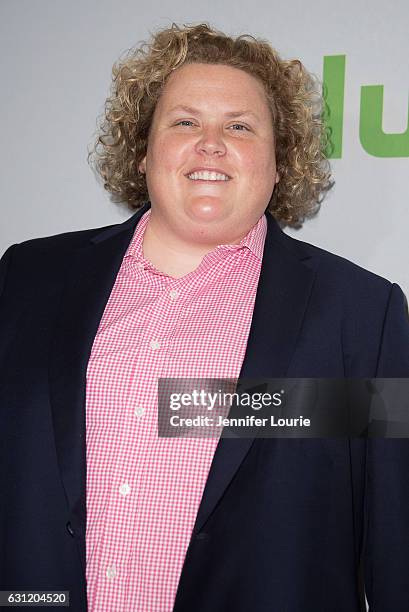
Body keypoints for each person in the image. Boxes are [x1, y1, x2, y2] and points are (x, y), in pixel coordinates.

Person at [0, 22, 408, 612]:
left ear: (279, 163)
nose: (210, 143)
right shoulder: (27, 279)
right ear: (142, 152)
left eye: (239, 127)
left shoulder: (359, 317)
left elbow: (396, 544)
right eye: (185, 122)